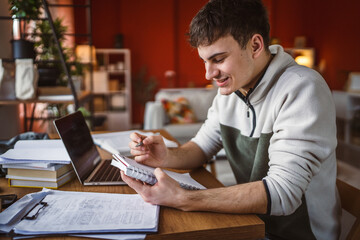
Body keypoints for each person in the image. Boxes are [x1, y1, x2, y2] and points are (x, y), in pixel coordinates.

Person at [121, 0, 341, 239]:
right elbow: (202, 147)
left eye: (218, 59)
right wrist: (167, 156)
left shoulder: (302, 88)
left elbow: (283, 194)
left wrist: (184, 199)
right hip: (252, 224)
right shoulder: (232, 91)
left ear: (255, 45)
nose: (209, 74)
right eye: (205, 61)